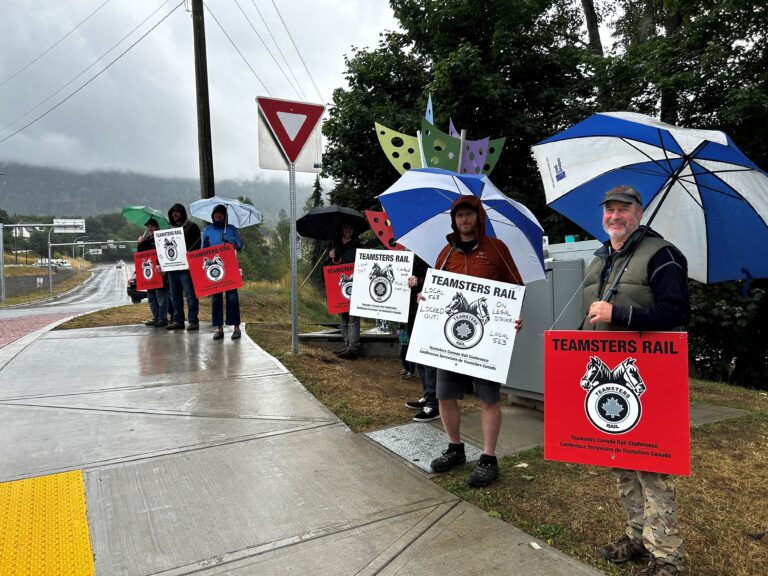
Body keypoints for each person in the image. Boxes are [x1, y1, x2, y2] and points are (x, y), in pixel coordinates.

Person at [584, 185, 690, 576]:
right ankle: (637, 534)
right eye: (609, 210)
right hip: (607, 377)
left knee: (653, 464)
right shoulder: (600, 258)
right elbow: (591, 315)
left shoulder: (662, 255)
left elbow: (676, 312)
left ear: (639, 213)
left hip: (649, 377)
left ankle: (666, 556)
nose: (615, 216)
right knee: (621, 459)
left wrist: (621, 313)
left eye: (623, 209)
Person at [427, 196, 523, 487]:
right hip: (451, 340)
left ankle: (488, 458)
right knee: (445, 395)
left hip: (486, 342)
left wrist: (513, 317)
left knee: (488, 398)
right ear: (454, 221)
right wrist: (424, 296)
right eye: (460, 216)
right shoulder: (445, 254)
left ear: (479, 217)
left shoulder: (497, 249)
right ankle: (455, 448)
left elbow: (516, 287)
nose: (464, 220)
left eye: (470, 215)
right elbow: (436, 293)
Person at [404, 256, 440, 423]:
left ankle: (434, 403)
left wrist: (420, 281)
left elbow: (443, 279)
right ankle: (427, 395)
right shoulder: (411, 251)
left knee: (428, 357)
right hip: (410, 309)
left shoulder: (437, 253)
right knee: (417, 354)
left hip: (428, 310)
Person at [202, 204, 244, 340]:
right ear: (213, 215)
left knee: (232, 298)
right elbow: (203, 250)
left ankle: (236, 328)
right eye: (216, 213)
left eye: (221, 213)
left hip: (230, 268)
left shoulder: (231, 229)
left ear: (225, 216)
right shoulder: (207, 230)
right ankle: (219, 328)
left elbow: (240, 245)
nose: (218, 215)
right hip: (214, 269)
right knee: (216, 298)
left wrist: (228, 239)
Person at [326, 222, 361, 359]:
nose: (348, 230)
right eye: (345, 227)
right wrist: (330, 256)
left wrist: (339, 259)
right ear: (342, 229)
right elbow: (327, 265)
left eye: (350, 228)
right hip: (338, 285)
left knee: (353, 318)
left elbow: (357, 261)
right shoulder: (333, 244)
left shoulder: (358, 244)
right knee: (343, 318)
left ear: (353, 230)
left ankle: (353, 348)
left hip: (354, 284)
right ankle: (347, 345)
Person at [166, 203, 201, 331]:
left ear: (182, 212)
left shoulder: (192, 227)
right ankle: (178, 320)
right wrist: (161, 264)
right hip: (172, 269)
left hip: (186, 269)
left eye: (177, 211)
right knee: (175, 295)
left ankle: (193, 321)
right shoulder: (169, 229)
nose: (175, 214)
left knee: (190, 294)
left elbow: (197, 247)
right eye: (172, 212)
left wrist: (192, 263)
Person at [137, 218, 169, 328]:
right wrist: (140, 243)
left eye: (152, 226)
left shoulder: (161, 238)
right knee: (151, 297)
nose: (149, 228)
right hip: (149, 273)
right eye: (148, 226)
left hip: (160, 272)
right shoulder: (146, 240)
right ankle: (156, 318)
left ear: (156, 227)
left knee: (161, 296)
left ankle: (162, 318)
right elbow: (141, 255)